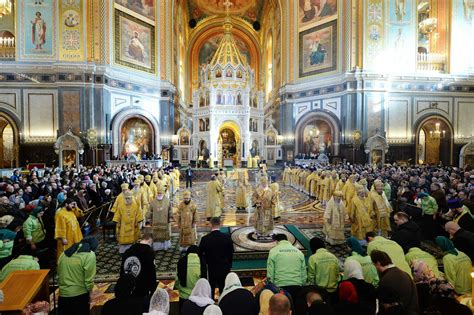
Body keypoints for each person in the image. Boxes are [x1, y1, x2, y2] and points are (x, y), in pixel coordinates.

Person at [370, 250, 419, 315]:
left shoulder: (386, 280)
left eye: (373, 265)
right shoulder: (405, 274)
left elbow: (384, 309)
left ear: (378, 263)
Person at [57, 237, 98, 315]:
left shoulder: (64, 254)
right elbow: (88, 279)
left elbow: (59, 273)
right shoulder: (89, 255)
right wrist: (90, 293)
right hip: (79, 296)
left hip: (63, 295)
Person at [199, 217, 234, 296]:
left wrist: (205, 264)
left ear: (210, 225)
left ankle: (210, 304)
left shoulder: (205, 239)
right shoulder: (227, 237)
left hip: (211, 268)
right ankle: (222, 305)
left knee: (210, 288)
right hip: (224, 267)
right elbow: (231, 253)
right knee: (223, 288)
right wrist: (229, 266)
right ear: (220, 225)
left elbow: (200, 254)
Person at [267, 234, 306, 300]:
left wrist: (271, 287)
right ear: (287, 240)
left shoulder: (273, 251)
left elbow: (270, 272)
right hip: (297, 286)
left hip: (281, 287)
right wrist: (302, 285)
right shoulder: (299, 252)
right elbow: (303, 272)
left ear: (277, 241)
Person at [121, 233, 157, 298]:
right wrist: (153, 288)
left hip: (128, 286)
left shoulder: (128, 251)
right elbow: (152, 272)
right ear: (149, 241)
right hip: (143, 286)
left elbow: (123, 269)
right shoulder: (149, 252)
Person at [147, 183, 172, 251]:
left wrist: (170, 217)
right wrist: (148, 217)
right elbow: (150, 210)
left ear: (163, 193)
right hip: (156, 221)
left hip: (164, 220)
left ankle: (165, 246)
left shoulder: (167, 201)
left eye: (160, 193)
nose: (159, 194)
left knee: (165, 234)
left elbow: (170, 210)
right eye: (158, 193)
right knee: (156, 235)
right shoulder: (153, 201)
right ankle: (157, 247)